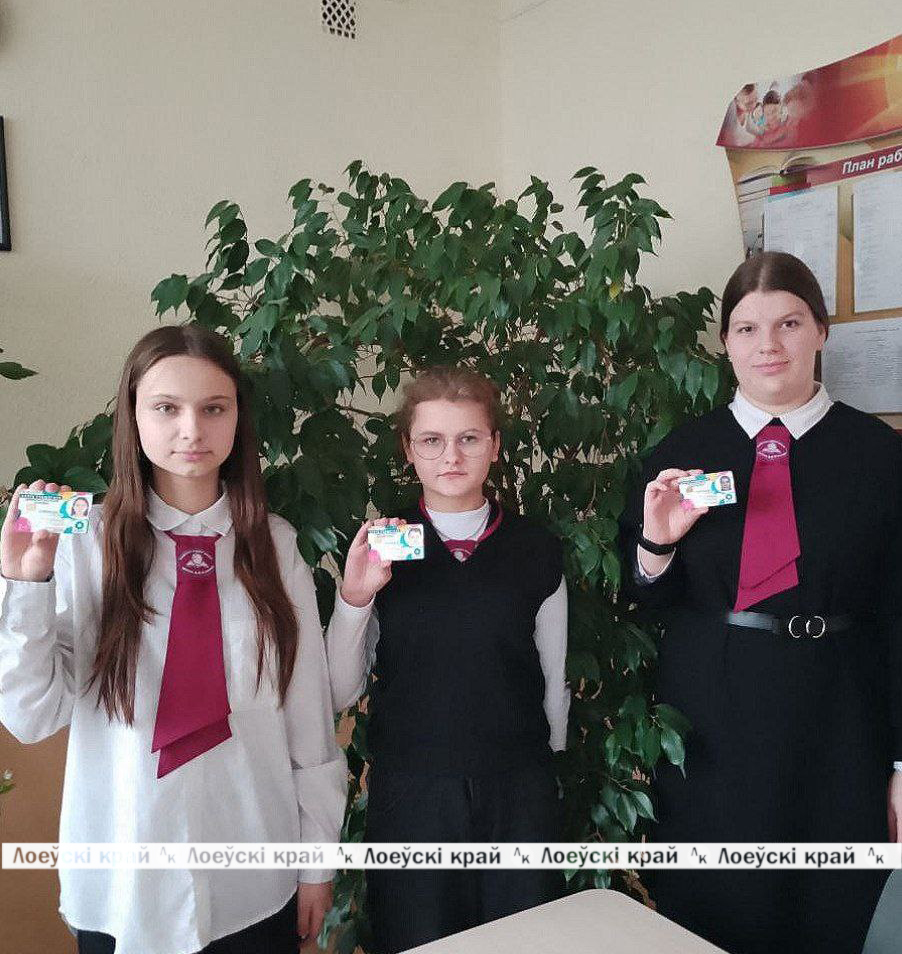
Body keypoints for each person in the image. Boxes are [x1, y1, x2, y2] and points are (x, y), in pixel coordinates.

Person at [0, 325, 354, 954]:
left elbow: (307, 719)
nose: (192, 430)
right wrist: (26, 585)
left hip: (254, 878)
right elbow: (29, 718)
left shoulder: (274, 547)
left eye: (214, 408)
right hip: (123, 884)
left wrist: (317, 862)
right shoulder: (82, 547)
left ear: (238, 418)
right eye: (166, 407)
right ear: (133, 415)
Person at [620, 251, 902, 954]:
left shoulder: (881, 455)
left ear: (821, 331)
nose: (768, 345)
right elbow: (643, 598)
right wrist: (657, 544)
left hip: (841, 719)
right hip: (712, 719)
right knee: (713, 912)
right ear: (725, 342)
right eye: (747, 328)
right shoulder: (681, 453)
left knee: (829, 913)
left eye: (788, 323)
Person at [325, 366, 569, 954]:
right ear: (408, 449)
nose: (451, 456)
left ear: (496, 445)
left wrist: (547, 772)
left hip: (518, 788)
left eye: (469, 438)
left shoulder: (535, 548)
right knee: (418, 938)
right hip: (414, 790)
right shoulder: (381, 545)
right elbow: (338, 688)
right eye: (432, 440)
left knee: (523, 941)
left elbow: (553, 675)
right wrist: (355, 597)